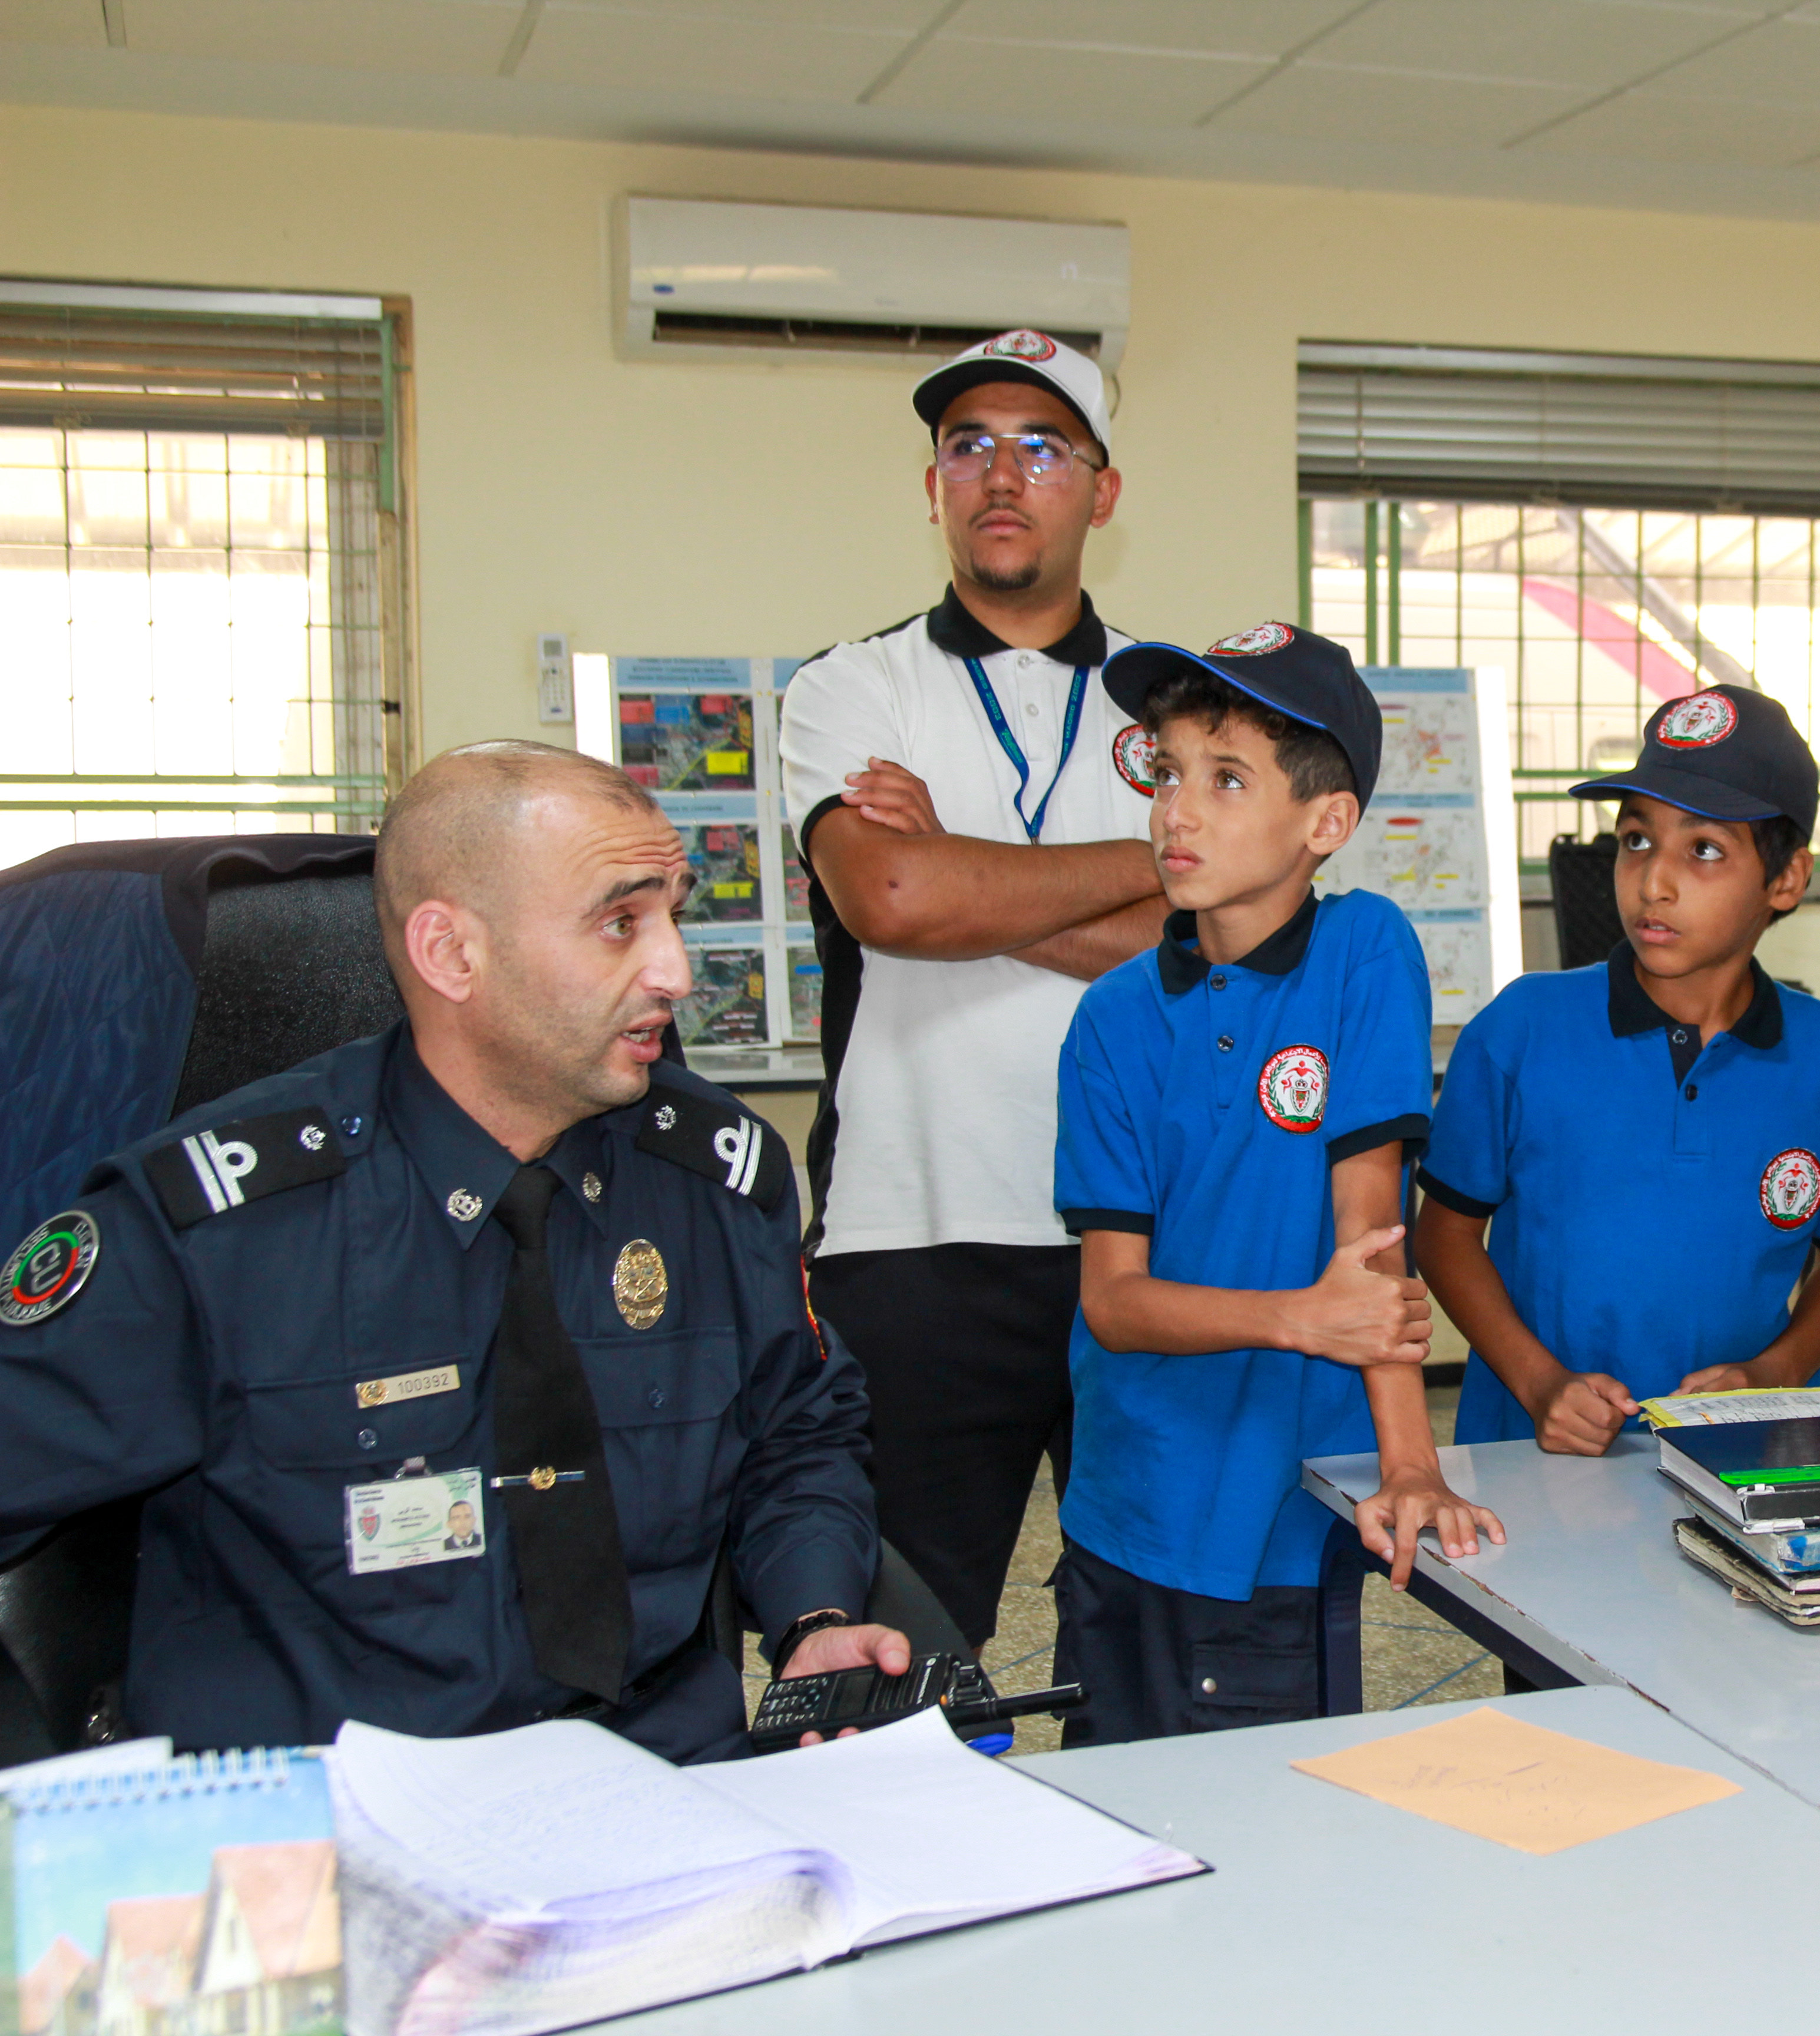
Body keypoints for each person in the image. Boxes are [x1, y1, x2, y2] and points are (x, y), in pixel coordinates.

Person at [0, 741, 899, 1763]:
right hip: (325, 1834)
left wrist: (814, 1620)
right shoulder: (214, 1226)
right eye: (620, 922)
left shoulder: (716, 1180)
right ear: (450, 954)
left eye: (674, 913)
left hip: (662, 1790)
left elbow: (797, 1433)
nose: (677, 972)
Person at [776, 329, 1166, 1651]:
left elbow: (1213, 948)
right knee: (904, 1638)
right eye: (969, 446)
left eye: (1044, 447)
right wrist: (1147, 862)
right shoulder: (851, 687)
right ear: (932, 484)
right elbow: (893, 903)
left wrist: (965, 872)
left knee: (1146, 1628)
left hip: (1146, 1239)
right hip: (913, 1242)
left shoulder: (1180, 708)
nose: (1003, 475)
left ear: (1101, 493)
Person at [1048, 622, 1500, 1744]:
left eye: (1226, 778)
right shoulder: (1110, 1020)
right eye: (1167, 773)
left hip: (1276, 1521)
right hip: (1126, 1498)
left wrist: (1408, 1465)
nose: (1175, 811)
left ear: (1326, 824)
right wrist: (1298, 1317)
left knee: (1276, 1824)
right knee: (1120, 1799)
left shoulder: (1364, 952)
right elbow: (1114, 1300)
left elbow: (1370, 1235)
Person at [1418, 685, 1820, 1454]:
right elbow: (1444, 1236)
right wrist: (1540, 1384)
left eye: (1703, 850)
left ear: (1786, 880)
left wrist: (1777, 1370)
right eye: (1637, 840)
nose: (1653, 881)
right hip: (1535, 1459)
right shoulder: (1523, 1029)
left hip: (1744, 1458)